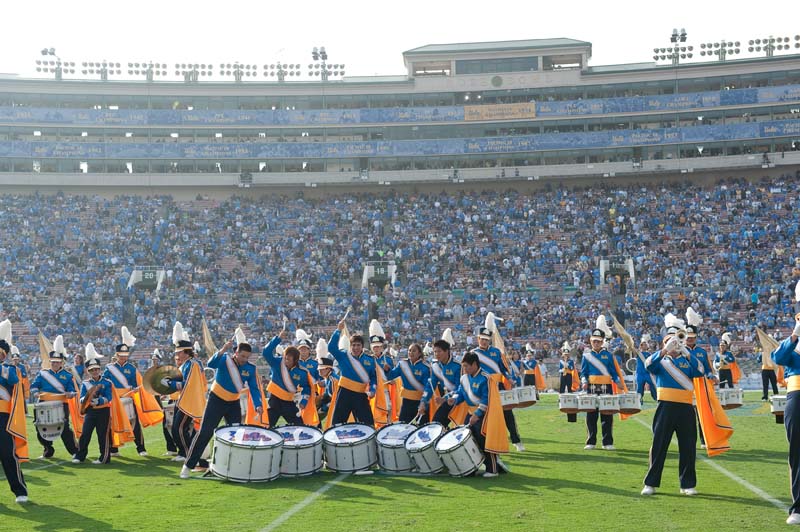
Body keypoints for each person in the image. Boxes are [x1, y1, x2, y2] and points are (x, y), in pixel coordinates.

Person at [181, 336, 263, 479]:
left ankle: (231, 467)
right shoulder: (225, 359)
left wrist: (258, 405)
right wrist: (222, 350)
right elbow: (211, 364)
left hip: (233, 403)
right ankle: (188, 465)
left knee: (235, 435)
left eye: (247, 357)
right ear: (235, 352)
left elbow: (254, 389)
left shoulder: (251, 368)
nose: (244, 359)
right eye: (242, 356)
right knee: (205, 433)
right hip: (216, 400)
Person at [641, 323, 705, 496]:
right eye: (669, 342)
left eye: (676, 342)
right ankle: (650, 483)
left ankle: (687, 484)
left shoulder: (686, 359)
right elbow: (648, 365)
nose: (673, 345)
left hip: (685, 408)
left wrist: (687, 353)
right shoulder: (660, 362)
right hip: (665, 407)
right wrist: (663, 351)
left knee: (688, 447)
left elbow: (701, 371)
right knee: (659, 445)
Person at [443, 351, 508, 478]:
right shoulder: (464, 378)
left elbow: (486, 399)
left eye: (466, 366)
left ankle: (493, 469)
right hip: (470, 412)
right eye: (463, 366)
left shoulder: (486, 378)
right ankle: (473, 466)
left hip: (484, 414)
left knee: (485, 440)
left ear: (474, 364)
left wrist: (477, 414)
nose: (464, 369)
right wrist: (454, 400)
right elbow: (462, 394)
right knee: (471, 440)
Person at [473, 325, 524, 451]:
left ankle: (516, 441)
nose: (483, 341)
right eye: (481, 339)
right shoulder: (473, 354)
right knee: (482, 415)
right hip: (482, 388)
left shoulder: (496, 352)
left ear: (489, 340)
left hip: (498, 386)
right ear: (478, 339)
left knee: (508, 414)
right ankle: (484, 443)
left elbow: (503, 369)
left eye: (486, 339)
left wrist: (509, 378)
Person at [770, 318, 800, 525]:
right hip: (797, 397)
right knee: (798, 453)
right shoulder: (793, 345)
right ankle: (798, 508)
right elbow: (778, 357)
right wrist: (795, 336)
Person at [161, 323, 206, 462]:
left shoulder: (192, 364)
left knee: (179, 428)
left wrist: (170, 383)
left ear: (186, 351)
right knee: (177, 428)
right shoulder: (186, 364)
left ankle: (186, 453)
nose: (177, 354)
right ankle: (183, 452)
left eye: (179, 352)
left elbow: (186, 384)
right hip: (183, 399)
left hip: (189, 401)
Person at [29, 335, 79, 459]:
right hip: (43, 403)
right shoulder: (43, 373)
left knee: (64, 429)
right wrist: (35, 392)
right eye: (53, 362)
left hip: (61, 404)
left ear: (61, 362)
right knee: (40, 426)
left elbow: (72, 390)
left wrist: (70, 393)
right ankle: (48, 450)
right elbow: (34, 386)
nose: (55, 364)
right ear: (50, 362)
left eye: (57, 362)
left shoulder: (67, 375)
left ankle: (74, 452)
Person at [327, 320, 376, 426]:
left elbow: (373, 378)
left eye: (358, 345)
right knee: (337, 424)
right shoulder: (344, 355)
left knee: (368, 424)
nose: (356, 348)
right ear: (350, 346)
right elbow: (331, 347)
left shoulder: (370, 360)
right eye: (353, 345)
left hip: (360, 395)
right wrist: (338, 330)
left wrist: (372, 390)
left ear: (362, 346)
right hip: (344, 393)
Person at [0, 324, 28, 503]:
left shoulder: (9, 369)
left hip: (3, 418)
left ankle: (20, 491)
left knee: (8, 455)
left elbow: (15, 380)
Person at [580, 325, 620, 451]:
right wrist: (584, 381)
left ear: (602, 342)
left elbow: (613, 372)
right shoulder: (586, 356)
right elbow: (583, 372)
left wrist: (618, 381)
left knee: (607, 414)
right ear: (591, 342)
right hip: (591, 387)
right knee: (591, 415)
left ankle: (607, 442)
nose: (596, 343)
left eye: (598, 341)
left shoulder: (608, 355)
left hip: (606, 387)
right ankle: (591, 441)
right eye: (594, 341)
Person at [103, 343, 147, 456]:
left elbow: (136, 384)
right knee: (113, 424)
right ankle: (114, 449)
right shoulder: (109, 368)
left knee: (134, 423)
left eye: (125, 355)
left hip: (128, 399)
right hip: (115, 400)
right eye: (121, 355)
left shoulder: (132, 368)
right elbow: (104, 382)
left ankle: (141, 448)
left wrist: (136, 389)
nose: (123, 357)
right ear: (117, 354)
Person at [72, 348, 113, 465]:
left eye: (96, 369)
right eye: (92, 370)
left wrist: (99, 401)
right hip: (90, 411)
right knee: (85, 434)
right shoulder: (85, 383)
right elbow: (82, 397)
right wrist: (86, 400)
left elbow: (109, 397)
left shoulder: (107, 382)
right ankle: (80, 456)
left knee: (102, 435)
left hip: (103, 411)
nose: (94, 372)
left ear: (100, 370)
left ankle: (104, 457)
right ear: (88, 371)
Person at [685, 308, 718, 449]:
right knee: (687, 417)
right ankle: (689, 441)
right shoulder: (680, 351)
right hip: (685, 385)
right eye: (687, 337)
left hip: (699, 385)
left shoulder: (702, 352)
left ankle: (704, 440)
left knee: (701, 415)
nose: (689, 339)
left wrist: (712, 376)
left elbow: (708, 368)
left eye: (692, 337)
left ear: (696, 337)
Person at [262, 330, 309, 428]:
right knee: (267, 427)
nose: (286, 361)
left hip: (288, 402)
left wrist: (303, 401)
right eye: (285, 358)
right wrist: (278, 339)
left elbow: (306, 387)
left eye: (289, 360)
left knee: (300, 426)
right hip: (274, 400)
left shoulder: (302, 372)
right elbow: (266, 352)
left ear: (296, 360)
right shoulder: (277, 362)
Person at [419, 338, 461, 426]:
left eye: (439, 351)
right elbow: (430, 386)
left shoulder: (457, 366)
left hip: (458, 400)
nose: (436, 354)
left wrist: (445, 398)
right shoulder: (435, 366)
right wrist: (423, 402)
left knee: (439, 423)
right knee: (434, 423)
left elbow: (459, 388)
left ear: (447, 351)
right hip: (445, 400)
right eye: (435, 352)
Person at [386, 343, 430, 423]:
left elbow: (427, 387)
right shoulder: (402, 364)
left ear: (419, 353)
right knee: (402, 425)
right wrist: (387, 369)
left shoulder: (425, 367)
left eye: (414, 351)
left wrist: (424, 402)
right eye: (409, 350)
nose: (411, 353)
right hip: (406, 401)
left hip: (420, 401)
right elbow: (391, 376)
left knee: (422, 427)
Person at [150, 349, 178, 456]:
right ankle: (171, 449)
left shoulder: (169, 372)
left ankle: (181, 450)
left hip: (179, 402)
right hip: (171, 401)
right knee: (166, 425)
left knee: (177, 426)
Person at [635, 334, 657, 402]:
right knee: (640, 388)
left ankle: (656, 398)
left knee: (653, 385)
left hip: (647, 373)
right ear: (641, 346)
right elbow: (634, 351)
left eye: (645, 344)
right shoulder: (638, 353)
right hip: (640, 373)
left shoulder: (649, 354)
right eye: (643, 344)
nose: (645, 345)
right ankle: (639, 400)